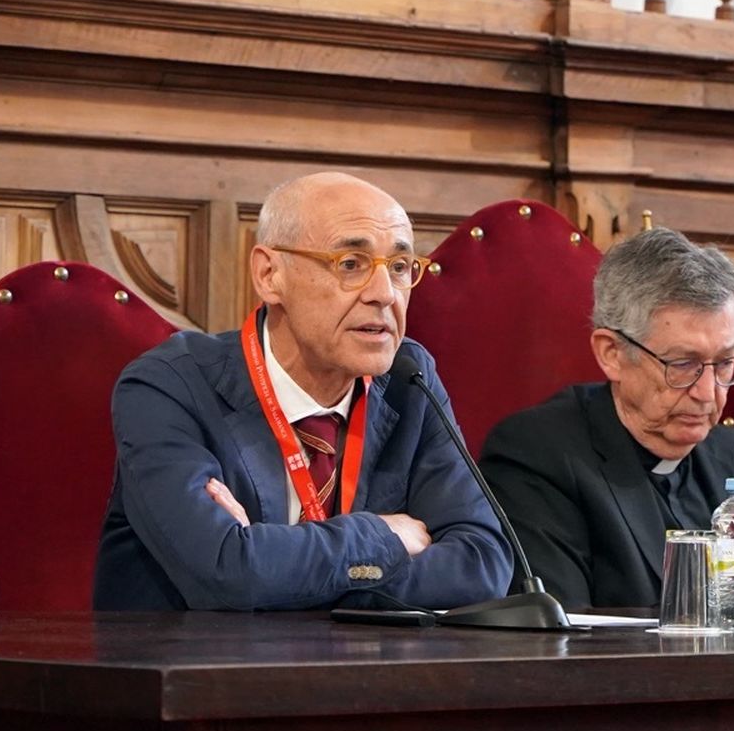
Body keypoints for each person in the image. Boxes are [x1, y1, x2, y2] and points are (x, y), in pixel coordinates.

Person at [93, 172, 512, 611]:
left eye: (400, 268)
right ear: (269, 274)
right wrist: (382, 538)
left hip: (363, 673)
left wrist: (278, 568)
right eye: (350, 264)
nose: (385, 294)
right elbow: (225, 575)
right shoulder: (170, 386)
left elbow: (483, 566)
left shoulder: (410, 379)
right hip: (201, 672)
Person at [479, 227, 734, 610]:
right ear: (612, 354)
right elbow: (562, 640)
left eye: (724, 364)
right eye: (682, 364)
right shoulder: (538, 457)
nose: (708, 393)